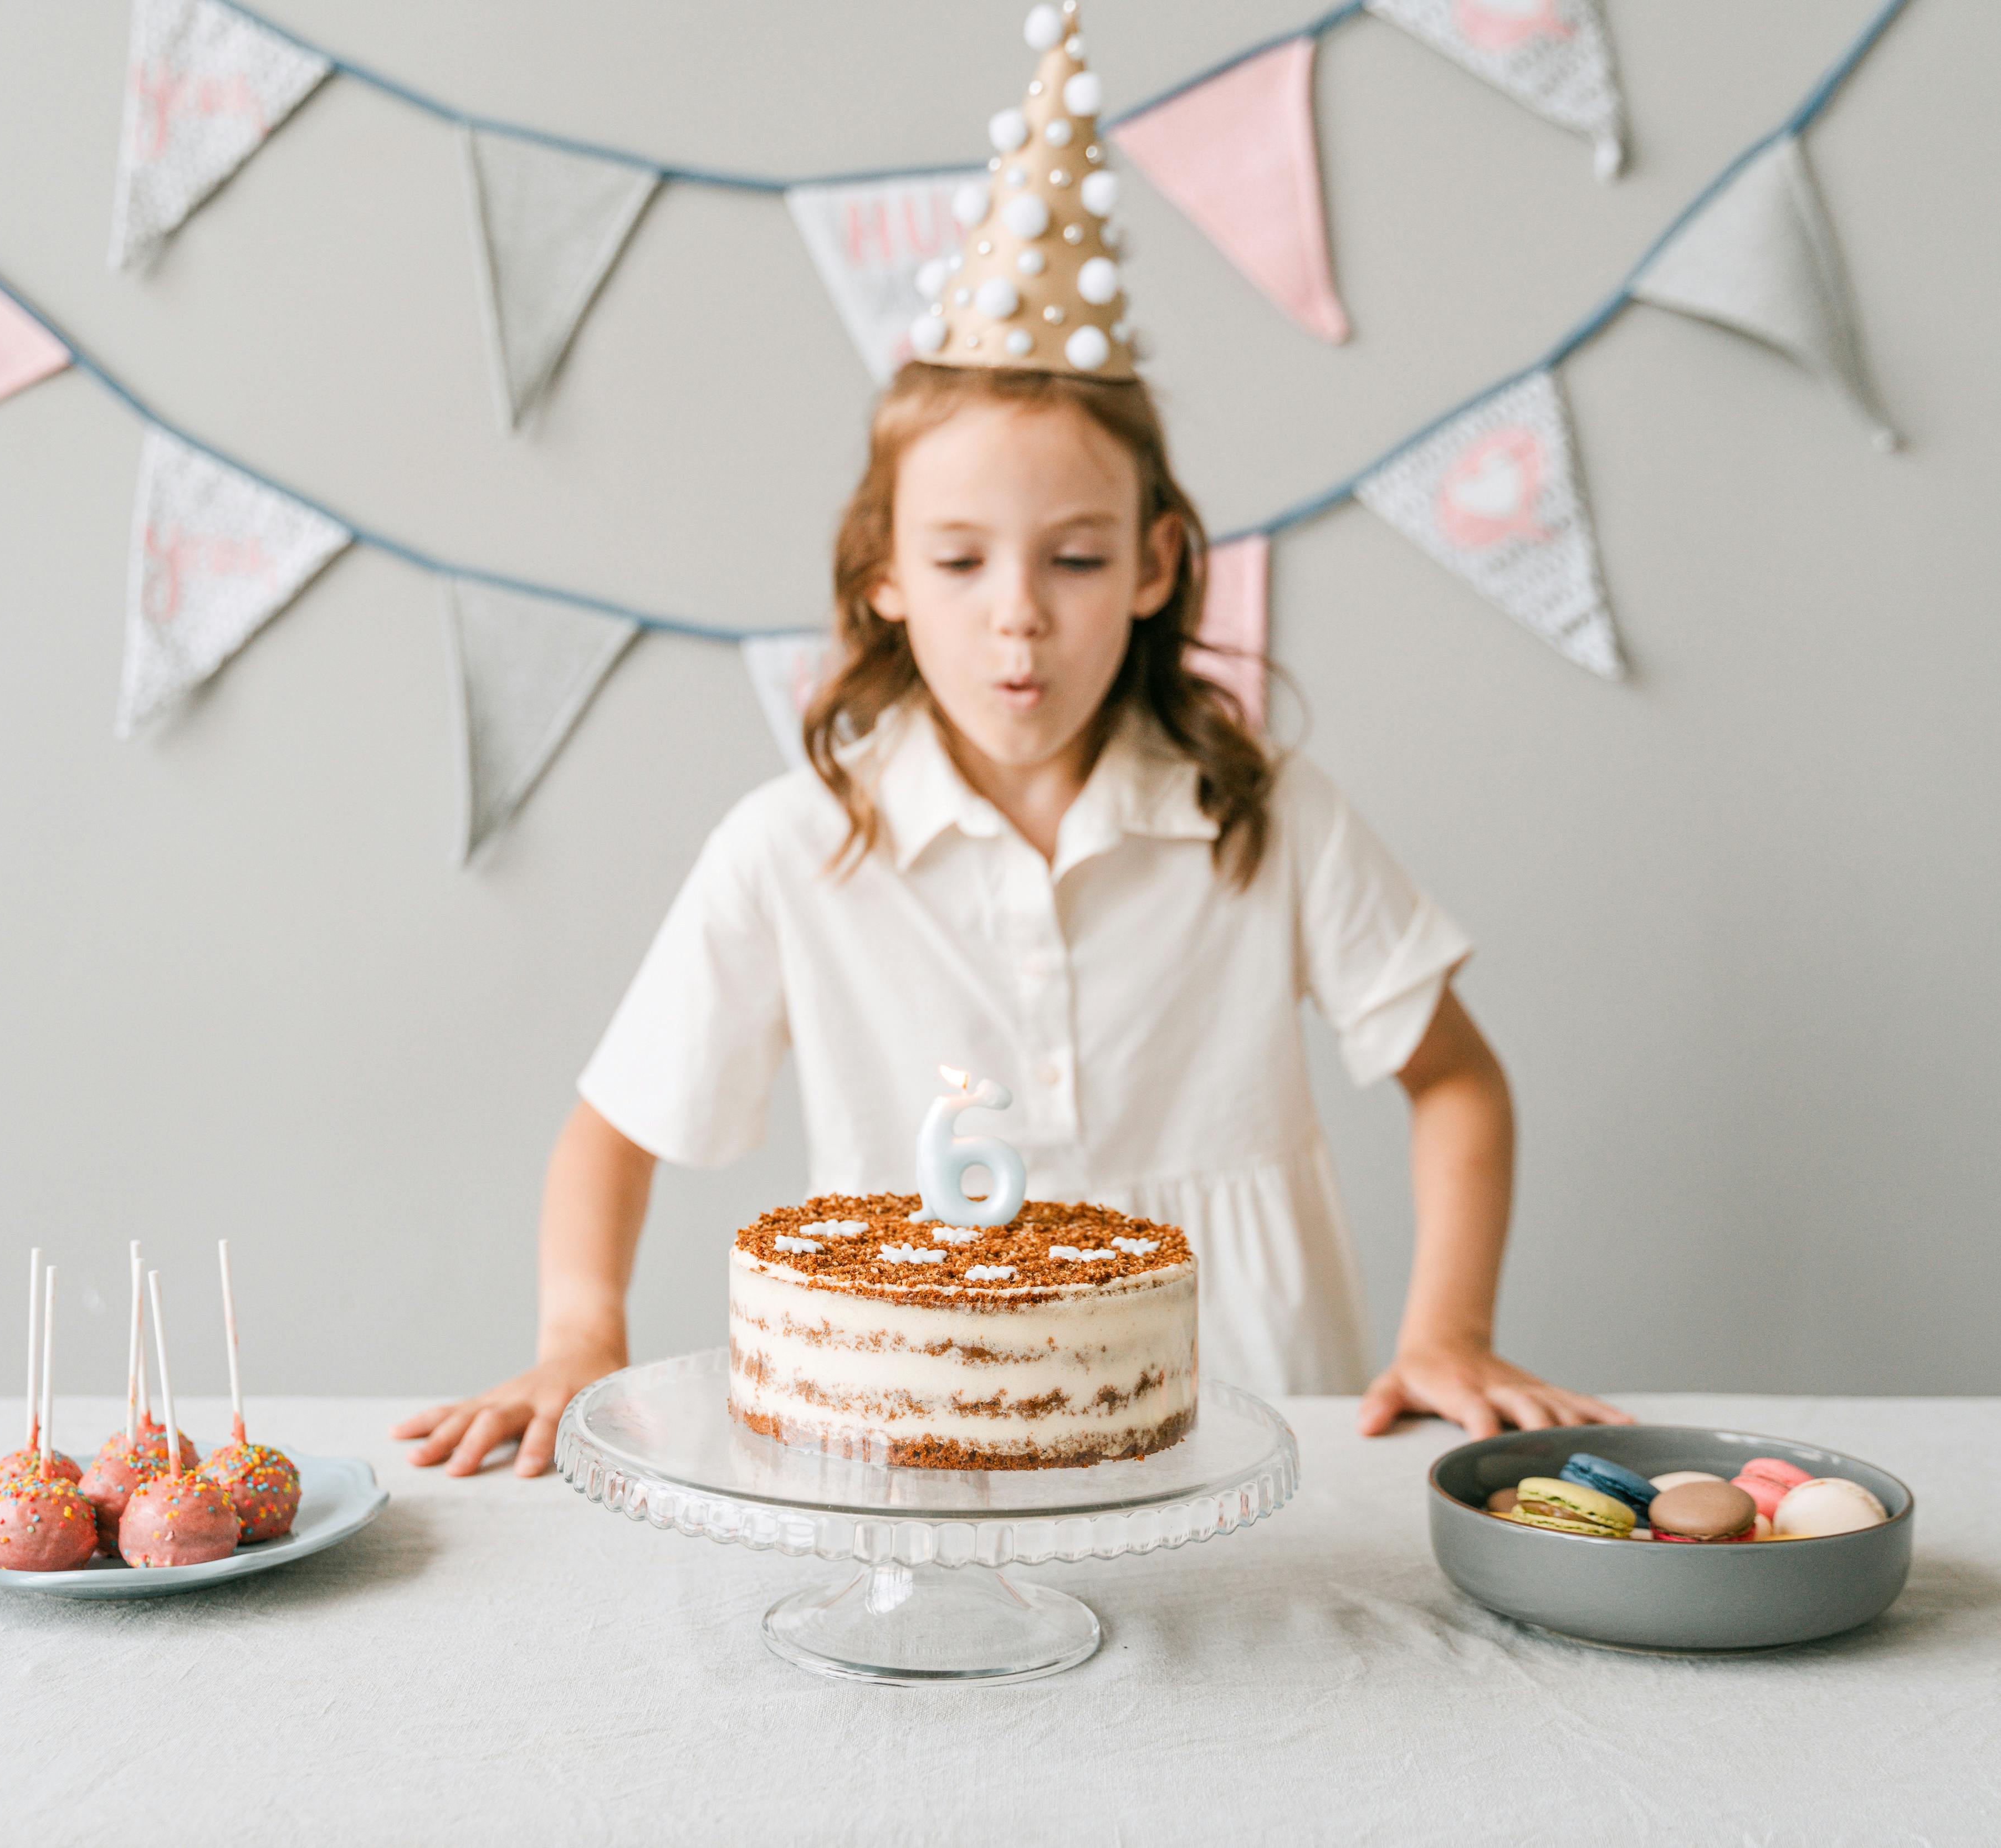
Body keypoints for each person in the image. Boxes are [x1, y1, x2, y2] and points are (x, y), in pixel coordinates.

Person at [395, 6, 1626, 1480]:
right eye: (964, 561)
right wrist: (580, 1335)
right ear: (884, 576)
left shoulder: (1264, 818)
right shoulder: (799, 848)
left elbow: (1457, 1079)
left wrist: (1448, 1329)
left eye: (1078, 559)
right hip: (920, 1463)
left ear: (1162, 566)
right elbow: (613, 1129)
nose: (1020, 621)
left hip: (1255, 1447)